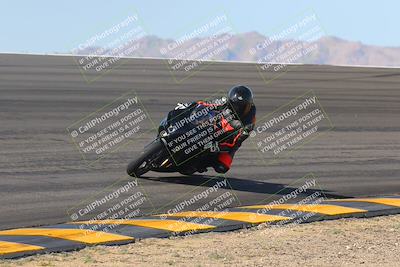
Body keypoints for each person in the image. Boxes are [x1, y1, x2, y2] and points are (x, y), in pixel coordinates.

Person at [174, 85, 256, 174]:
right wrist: (190, 106)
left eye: (243, 106)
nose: (239, 109)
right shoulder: (225, 102)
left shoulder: (248, 124)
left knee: (222, 167)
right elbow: (206, 103)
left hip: (227, 141)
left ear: (249, 105)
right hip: (214, 125)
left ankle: (199, 165)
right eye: (236, 106)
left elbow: (234, 142)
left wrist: (217, 145)